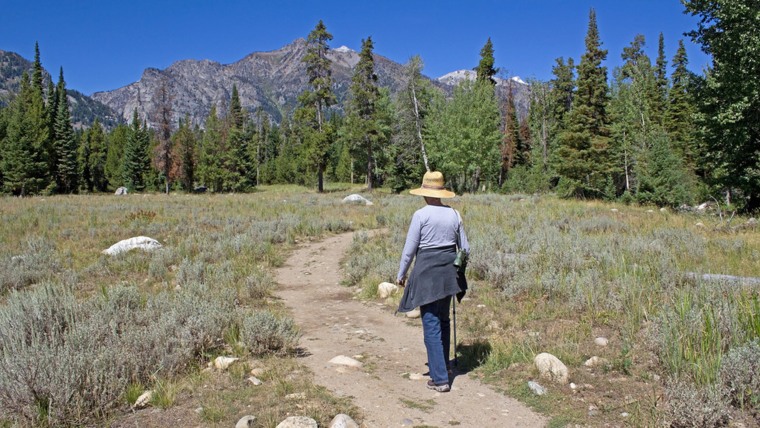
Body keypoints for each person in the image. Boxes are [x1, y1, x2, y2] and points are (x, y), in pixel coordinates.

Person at [396, 170, 469, 393]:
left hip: (427, 273)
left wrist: (401, 274)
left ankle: (439, 378)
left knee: (431, 323)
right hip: (448, 274)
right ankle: (444, 367)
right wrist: (459, 271)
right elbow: (465, 248)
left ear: (424, 192)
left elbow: (410, 250)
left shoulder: (421, 215)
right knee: (443, 320)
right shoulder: (454, 214)